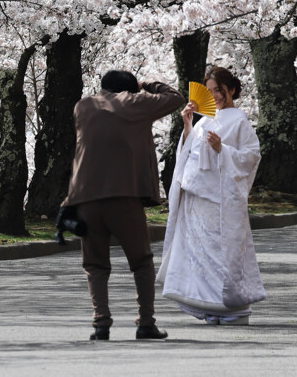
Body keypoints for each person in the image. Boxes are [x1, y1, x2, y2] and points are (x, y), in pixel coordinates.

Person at [64, 69, 184, 341]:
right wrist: (145, 85)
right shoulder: (136, 103)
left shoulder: (82, 106)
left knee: (95, 264)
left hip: (86, 198)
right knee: (141, 261)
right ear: (129, 90)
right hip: (124, 195)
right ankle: (145, 323)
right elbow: (175, 97)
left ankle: (101, 324)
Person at [157, 65, 266, 325]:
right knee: (200, 252)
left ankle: (232, 308)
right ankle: (210, 306)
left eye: (219, 90)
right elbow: (189, 152)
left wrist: (223, 150)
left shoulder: (239, 120)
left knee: (221, 250)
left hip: (221, 198)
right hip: (197, 197)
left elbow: (251, 157)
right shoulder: (204, 119)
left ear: (231, 90)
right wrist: (187, 126)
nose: (215, 95)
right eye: (210, 90)